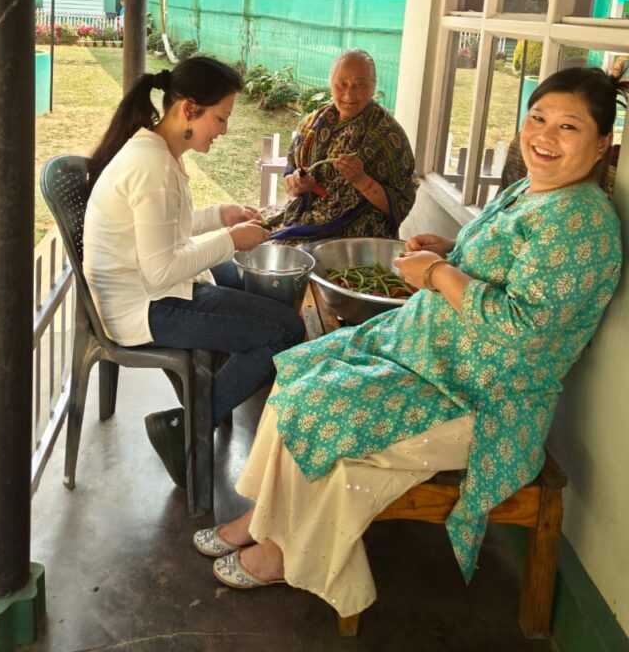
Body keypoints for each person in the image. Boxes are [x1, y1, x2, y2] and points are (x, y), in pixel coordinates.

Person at [193, 66, 626, 619]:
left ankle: (285, 554)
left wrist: (441, 274)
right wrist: (451, 250)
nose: (545, 136)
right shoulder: (532, 191)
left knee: (319, 406)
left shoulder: (580, 224)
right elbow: (508, 267)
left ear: (602, 144)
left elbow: (525, 330)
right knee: (299, 367)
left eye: (569, 127)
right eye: (538, 118)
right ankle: (262, 520)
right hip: (429, 355)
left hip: (479, 398)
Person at [83, 56, 306, 487]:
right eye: (220, 118)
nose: (224, 130)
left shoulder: (155, 150)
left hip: (145, 291)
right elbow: (160, 272)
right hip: (143, 307)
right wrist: (231, 239)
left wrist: (220, 215)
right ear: (189, 109)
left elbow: (166, 227)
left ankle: (208, 394)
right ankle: (190, 425)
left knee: (248, 287)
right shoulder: (152, 165)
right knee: (286, 330)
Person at [266, 49, 417, 242]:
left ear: (373, 87)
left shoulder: (387, 134)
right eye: (342, 84)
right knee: (254, 237)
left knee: (280, 251)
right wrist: (296, 184)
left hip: (357, 236)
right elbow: (291, 176)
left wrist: (361, 180)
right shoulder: (312, 123)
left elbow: (400, 204)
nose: (349, 94)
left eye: (360, 84)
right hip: (304, 218)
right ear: (331, 84)